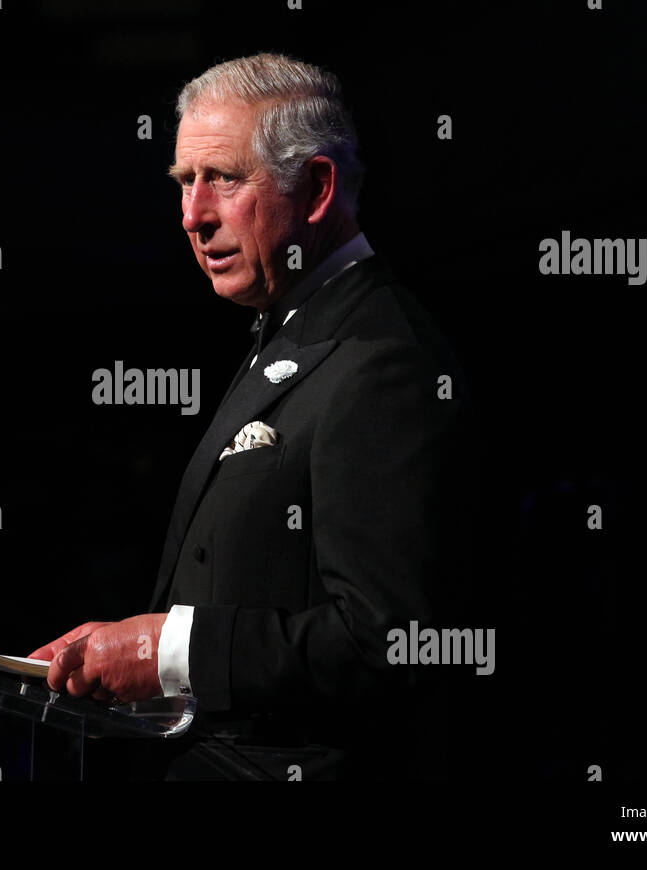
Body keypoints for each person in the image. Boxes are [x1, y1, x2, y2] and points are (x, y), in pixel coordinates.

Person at [29, 53, 475, 780]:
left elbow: (391, 641)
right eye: (183, 182)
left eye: (224, 180)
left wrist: (165, 652)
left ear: (318, 188)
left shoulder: (382, 361)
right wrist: (123, 645)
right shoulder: (291, 330)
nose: (192, 216)